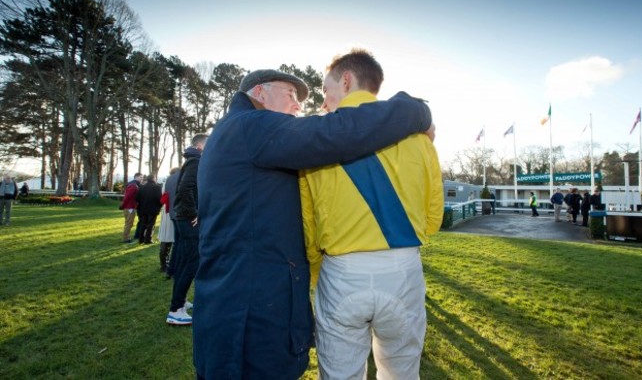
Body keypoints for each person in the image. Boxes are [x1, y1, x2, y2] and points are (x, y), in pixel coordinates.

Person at [193, 68, 432, 379]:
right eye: (290, 94)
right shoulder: (251, 126)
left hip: (245, 302)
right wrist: (415, 110)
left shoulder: (240, 131)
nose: (297, 106)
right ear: (260, 93)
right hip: (248, 317)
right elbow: (333, 133)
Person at [299, 50, 444, 379]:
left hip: (341, 273)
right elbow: (433, 218)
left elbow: (309, 226)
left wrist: (318, 273)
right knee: (402, 373)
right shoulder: (420, 140)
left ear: (346, 80)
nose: (324, 102)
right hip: (404, 269)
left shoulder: (315, 139)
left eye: (326, 90)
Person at [166, 134, 208, 326]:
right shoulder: (195, 162)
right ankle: (176, 310)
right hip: (188, 220)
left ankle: (180, 301)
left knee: (184, 261)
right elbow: (185, 189)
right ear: (200, 145)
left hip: (183, 218)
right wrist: (194, 213)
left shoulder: (192, 161)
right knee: (192, 262)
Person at [158, 167, 180, 275]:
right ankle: (167, 264)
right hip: (172, 211)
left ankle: (164, 264)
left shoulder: (166, 181)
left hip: (167, 211)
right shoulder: (174, 180)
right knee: (170, 239)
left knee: (165, 239)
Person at [136, 175, 163, 244]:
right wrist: (159, 206)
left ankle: (141, 238)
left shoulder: (142, 187)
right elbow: (159, 198)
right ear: (154, 179)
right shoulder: (157, 187)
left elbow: (137, 198)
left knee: (143, 224)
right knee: (151, 224)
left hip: (143, 208)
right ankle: (148, 239)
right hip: (153, 208)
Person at [119, 173, 143, 243]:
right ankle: (125, 238)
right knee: (129, 223)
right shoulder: (133, 186)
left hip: (129, 206)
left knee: (128, 223)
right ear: (136, 177)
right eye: (140, 177)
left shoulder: (133, 185)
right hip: (130, 207)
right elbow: (127, 197)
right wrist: (123, 205)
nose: (141, 179)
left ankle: (126, 236)